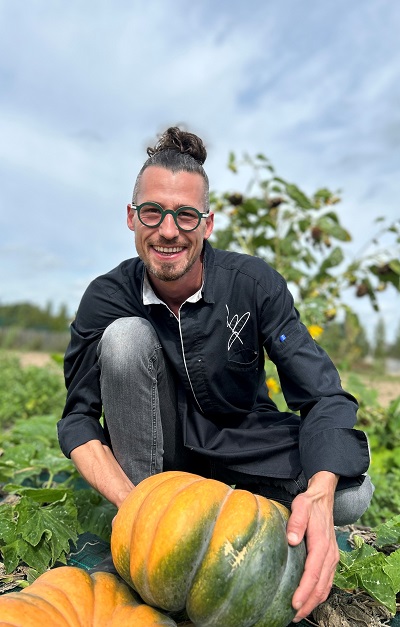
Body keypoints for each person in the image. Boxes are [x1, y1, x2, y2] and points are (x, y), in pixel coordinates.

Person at [58, 126, 373, 623]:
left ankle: (236, 515)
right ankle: (151, 533)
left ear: (206, 223)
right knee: (123, 339)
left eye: (185, 215)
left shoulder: (254, 284)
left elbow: (322, 396)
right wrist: (137, 506)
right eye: (153, 212)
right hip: (157, 459)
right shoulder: (106, 297)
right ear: (131, 217)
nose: (168, 230)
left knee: (351, 492)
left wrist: (319, 489)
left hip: (243, 442)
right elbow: (78, 419)